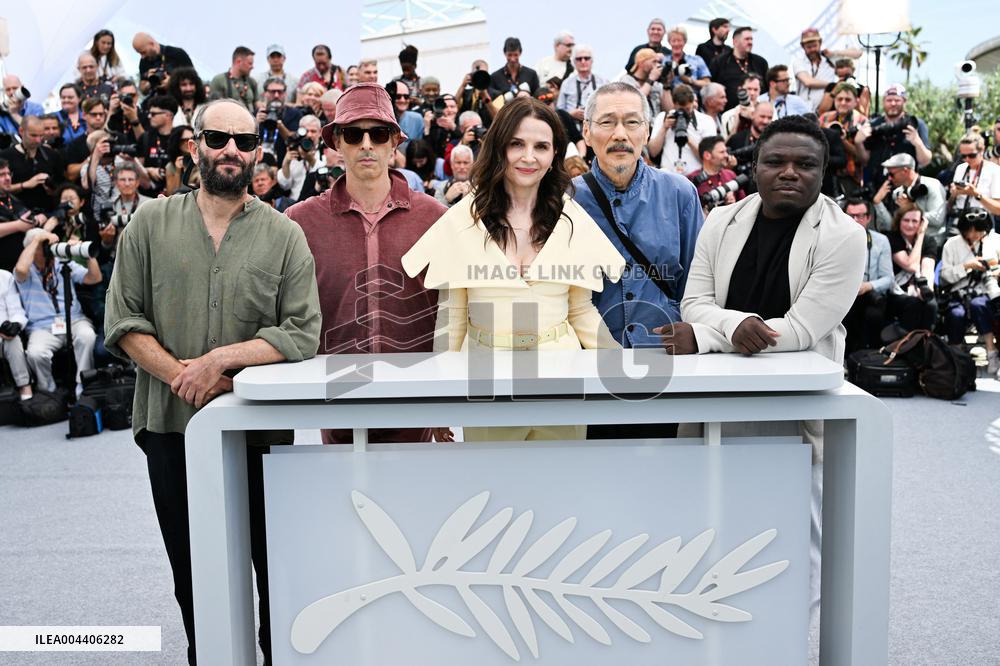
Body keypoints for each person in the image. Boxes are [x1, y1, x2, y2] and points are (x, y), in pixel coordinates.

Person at [104, 98, 321, 665]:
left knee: (274, 569)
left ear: (257, 153)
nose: (232, 150)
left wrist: (220, 363)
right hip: (170, 429)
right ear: (194, 144)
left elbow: (301, 332)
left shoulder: (284, 235)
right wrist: (185, 376)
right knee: (192, 571)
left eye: (245, 142)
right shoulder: (149, 223)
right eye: (219, 138)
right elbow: (123, 320)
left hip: (261, 436)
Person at [671, 117, 865, 648]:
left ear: (824, 173)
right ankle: (720, 646)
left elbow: (802, 329)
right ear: (753, 167)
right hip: (719, 398)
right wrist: (733, 326)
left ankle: (783, 648)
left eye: (805, 164)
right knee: (714, 526)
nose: (789, 173)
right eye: (775, 161)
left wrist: (709, 336)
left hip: (796, 407)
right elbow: (695, 302)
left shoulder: (846, 237)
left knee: (800, 544)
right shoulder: (722, 221)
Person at [403, 96, 625, 442]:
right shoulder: (463, 219)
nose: (528, 157)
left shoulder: (572, 220)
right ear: (498, 149)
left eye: (541, 146)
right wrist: (441, 398)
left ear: (554, 156)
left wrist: (617, 366)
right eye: (517, 144)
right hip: (486, 382)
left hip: (561, 379)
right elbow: (453, 316)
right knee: (495, 489)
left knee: (558, 491)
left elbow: (580, 309)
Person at [284, 82, 445, 445]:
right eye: (354, 134)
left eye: (378, 133)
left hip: (416, 401)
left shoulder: (435, 217)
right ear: (337, 142)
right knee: (343, 501)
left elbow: (454, 308)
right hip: (337, 401)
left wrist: (445, 401)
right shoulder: (300, 220)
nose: (367, 144)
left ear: (395, 141)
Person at [15, 228, 101, 391]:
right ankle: (49, 391)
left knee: (87, 336)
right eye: (44, 245)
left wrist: (86, 253)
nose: (50, 249)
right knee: (35, 353)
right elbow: (20, 270)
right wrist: (37, 239)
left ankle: (82, 385)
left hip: (74, 319)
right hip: (42, 327)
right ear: (31, 249)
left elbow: (94, 278)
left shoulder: (63, 263)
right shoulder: (25, 270)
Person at [940, 210, 1000, 372]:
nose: (973, 234)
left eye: (978, 230)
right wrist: (967, 266)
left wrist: (994, 270)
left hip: (986, 292)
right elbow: (945, 275)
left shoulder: (995, 241)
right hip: (958, 291)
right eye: (969, 230)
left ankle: (991, 351)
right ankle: (956, 356)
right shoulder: (951, 244)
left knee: (979, 305)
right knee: (956, 314)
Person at [853, 84, 932, 189]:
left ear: (904, 101)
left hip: (905, 189)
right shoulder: (873, 125)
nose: (893, 103)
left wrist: (917, 143)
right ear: (883, 101)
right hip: (876, 186)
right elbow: (865, 160)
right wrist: (858, 143)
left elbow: (925, 161)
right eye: (889, 100)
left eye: (897, 100)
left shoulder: (916, 124)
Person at [840, 197, 893, 353]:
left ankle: (870, 359)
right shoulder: (834, 240)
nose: (855, 220)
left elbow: (888, 279)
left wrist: (867, 286)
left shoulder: (881, 241)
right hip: (843, 295)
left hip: (869, 293)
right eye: (851, 216)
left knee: (874, 315)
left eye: (860, 216)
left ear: (869, 218)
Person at [885, 206, 938, 333]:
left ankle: (925, 343)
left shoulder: (929, 241)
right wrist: (920, 236)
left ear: (921, 223)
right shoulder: (892, 238)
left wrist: (926, 291)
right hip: (896, 289)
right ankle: (905, 345)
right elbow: (911, 265)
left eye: (915, 221)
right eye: (906, 220)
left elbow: (928, 269)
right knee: (913, 305)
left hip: (917, 286)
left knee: (931, 305)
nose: (910, 225)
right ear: (899, 221)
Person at [0, 158, 56, 272]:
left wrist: (37, 219)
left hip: (25, 265)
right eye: (1, 175)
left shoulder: (13, 199)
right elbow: (20, 224)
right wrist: (18, 225)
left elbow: (26, 219)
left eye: (8, 174)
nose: (7, 178)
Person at [0, 115, 65, 213]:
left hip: (48, 211)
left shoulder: (51, 155)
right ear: (21, 131)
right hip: (17, 213)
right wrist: (25, 185)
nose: (38, 140)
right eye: (33, 135)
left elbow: (63, 184)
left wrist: (54, 191)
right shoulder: (5, 156)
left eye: (41, 135)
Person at [873, 153, 947, 235]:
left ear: (905, 171)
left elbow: (937, 219)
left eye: (891, 174)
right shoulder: (898, 193)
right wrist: (878, 202)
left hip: (932, 241)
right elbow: (891, 226)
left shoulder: (932, 185)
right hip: (907, 242)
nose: (889, 178)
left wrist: (910, 209)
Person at [649, 84, 715, 174]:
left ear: (693, 103)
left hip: (695, 178)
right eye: (681, 109)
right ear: (674, 104)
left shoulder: (706, 121)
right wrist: (664, 128)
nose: (684, 113)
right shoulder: (663, 118)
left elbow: (710, 157)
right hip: (668, 176)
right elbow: (653, 152)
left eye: (687, 109)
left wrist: (687, 138)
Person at [792, 29, 861, 112]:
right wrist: (833, 85)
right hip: (803, 111)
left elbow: (858, 53)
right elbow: (808, 82)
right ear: (803, 46)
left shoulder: (829, 59)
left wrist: (834, 53)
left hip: (825, 111)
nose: (812, 49)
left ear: (820, 43)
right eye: (809, 47)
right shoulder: (799, 62)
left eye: (815, 46)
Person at [818, 81, 868, 195]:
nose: (843, 103)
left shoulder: (862, 122)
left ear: (856, 101)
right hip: (826, 176)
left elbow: (863, 157)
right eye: (839, 99)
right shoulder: (825, 118)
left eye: (848, 99)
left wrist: (841, 140)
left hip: (850, 177)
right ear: (834, 100)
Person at [710, 26, 768, 111]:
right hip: (727, 112)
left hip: (755, 112)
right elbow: (712, 87)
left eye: (751, 39)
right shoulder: (720, 62)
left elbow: (767, 91)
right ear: (735, 41)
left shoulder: (760, 62)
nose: (750, 42)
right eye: (747, 39)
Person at [949, 132, 1000, 223]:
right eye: (963, 156)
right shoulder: (961, 168)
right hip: (960, 217)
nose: (967, 159)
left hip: (982, 218)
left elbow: (998, 209)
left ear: (982, 150)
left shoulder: (994, 170)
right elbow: (951, 203)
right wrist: (954, 193)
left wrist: (976, 194)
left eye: (972, 156)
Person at [688, 135, 745, 213]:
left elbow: (744, 205)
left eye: (726, 151)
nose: (726, 155)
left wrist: (733, 205)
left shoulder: (730, 175)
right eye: (722, 152)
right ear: (707, 155)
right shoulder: (692, 179)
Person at [255, 76, 303, 166]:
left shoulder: (294, 114)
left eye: (280, 92)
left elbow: (295, 142)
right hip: (259, 167)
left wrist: (281, 127)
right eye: (273, 92)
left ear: (285, 94)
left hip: (286, 165)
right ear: (265, 93)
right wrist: (255, 124)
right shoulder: (256, 114)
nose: (276, 95)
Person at [137, 95, 178, 196]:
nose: (149, 116)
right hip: (148, 195)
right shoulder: (145, 137)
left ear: (168, 115)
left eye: (153, 114)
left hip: (174, 194)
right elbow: (137, 168)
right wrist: (149, 170)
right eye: (149, 113)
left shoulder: (180, 138)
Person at [557, 45, 606, 130]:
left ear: (592, 61)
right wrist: (571, 114)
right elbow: (559, 111)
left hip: (598, 128)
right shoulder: (566, 83)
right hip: (572, 130)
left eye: (586, 58)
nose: (583, 61)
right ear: (574, 62)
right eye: (579, 59)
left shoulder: (603, 82)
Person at [0, 266, 31, 399]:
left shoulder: (4, 277)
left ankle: (25, 386)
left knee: (14, 340)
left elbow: (16, 310)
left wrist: (16, 324)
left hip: (5, 331)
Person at [277, 115, 322, 201]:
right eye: (306, 131)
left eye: (313, 131)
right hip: (293, 204)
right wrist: (286, 162)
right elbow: (285, 185)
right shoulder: (294, 150)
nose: (309, 135)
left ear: (320, 132)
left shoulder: (326, 151)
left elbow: (326, 177)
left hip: (317, 204)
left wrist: (311, 160)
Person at [64, 97, 109, 182]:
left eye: (101, 114)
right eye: (94, 114)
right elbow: (71, 174)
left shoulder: (115, 137)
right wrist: (92, 158)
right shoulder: (76, 143)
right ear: (84, 115)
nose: (98, 117)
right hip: (85, 190)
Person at [618, 48, 666, 117]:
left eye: (658, 62)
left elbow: (667, 109)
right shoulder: (626, 80)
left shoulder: (656, 85)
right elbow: (635, 102)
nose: (657, 65)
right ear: (641, 63)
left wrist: (667, 85)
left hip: (656, 126)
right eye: (654, 62)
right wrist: (650, 80)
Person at [209, 46, 257, 112]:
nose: (252, 67)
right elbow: (213, 108)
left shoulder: (252, 82)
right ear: (238, 61)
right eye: (250, 63)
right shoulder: (219, 80)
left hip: (251, 120)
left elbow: (257, 103)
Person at [664, 25, 711, 91]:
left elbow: (707, 83)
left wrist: (689, 80)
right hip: (668, 97)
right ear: (669, 42)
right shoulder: (664, 60)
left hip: (691, 98)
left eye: (679, 40)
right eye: (673, 41)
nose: (676, 44)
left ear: (685, 41)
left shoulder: (696, 60)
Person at [457, 59, 498, 128]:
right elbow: (454, 107)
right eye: (477, 73)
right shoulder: (465, 93)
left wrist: (486, 98)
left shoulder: (496, 94)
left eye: (483, 73)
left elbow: (498, 117)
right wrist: (462, 85)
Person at [720, 73, 762, 139]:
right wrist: (737, 123)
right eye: (749, 89)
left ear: (760, 91)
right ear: (740, 90)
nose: (752, 93)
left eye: (755, 89)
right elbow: (726, 144)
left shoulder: (769, 112)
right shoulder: (728, 115)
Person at [164, 125, 199, 195]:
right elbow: (170, 194)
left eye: (192, 138)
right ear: (177, 142)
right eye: (185, 140)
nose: (190, 142)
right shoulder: (171, 166)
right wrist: (178, 171)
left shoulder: (202, 161)